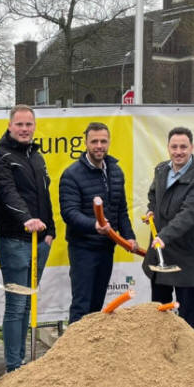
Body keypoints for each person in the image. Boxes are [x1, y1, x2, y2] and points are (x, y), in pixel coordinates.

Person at [0, 105, 55, 372]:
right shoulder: (0, 157)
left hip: (40, 242)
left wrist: (50, 231)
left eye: (29, 124)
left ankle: (22, 363)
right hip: (14, 240)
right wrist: (26, 219)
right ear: (10, 126)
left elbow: (45, 196)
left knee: (29, 303)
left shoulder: (36, 157)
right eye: (19, 124)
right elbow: (8, 193)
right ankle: (13, 366)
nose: (24, 129)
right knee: (16, 305)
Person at [59, 122, 134, 324]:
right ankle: (76, 344)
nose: (99, 146)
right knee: (81, 305)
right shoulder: (71, 174)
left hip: (106, 248)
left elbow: (121, 210)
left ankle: (92, 344)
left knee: (97, 306)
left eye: (103, 141)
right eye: (94, 141)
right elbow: (69, 213)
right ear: (86, 143)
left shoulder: (116, 171)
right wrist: (94, 225)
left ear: (108, 142)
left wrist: (129, 237)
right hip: (83, 249)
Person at [144, 127, 194, 328]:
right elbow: (153, 194)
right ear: (168, 147)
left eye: (183, 147)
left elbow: (189, 215)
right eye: (174, 147)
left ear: (192, 148)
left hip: (187, 256)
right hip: (161, 256)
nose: (178, 151)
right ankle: (161, 347)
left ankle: (185, 348)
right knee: (160, 312)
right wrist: (151, 209)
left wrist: (164, 236)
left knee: (186, 315)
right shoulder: (161, 170)